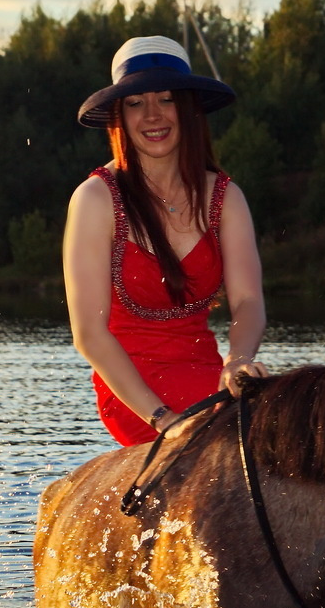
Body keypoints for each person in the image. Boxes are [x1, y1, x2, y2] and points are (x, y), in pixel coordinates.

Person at [63, 35, 268, 445]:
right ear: (120, 116)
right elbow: (88, 333)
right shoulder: (96, 198)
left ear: (188, 109)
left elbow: (247, 301)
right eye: (136, 103)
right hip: (132, 389)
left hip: (208, 375)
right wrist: (164, 420)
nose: (153, 115)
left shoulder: (225, 197)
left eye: (166, 99)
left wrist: (238, 361)